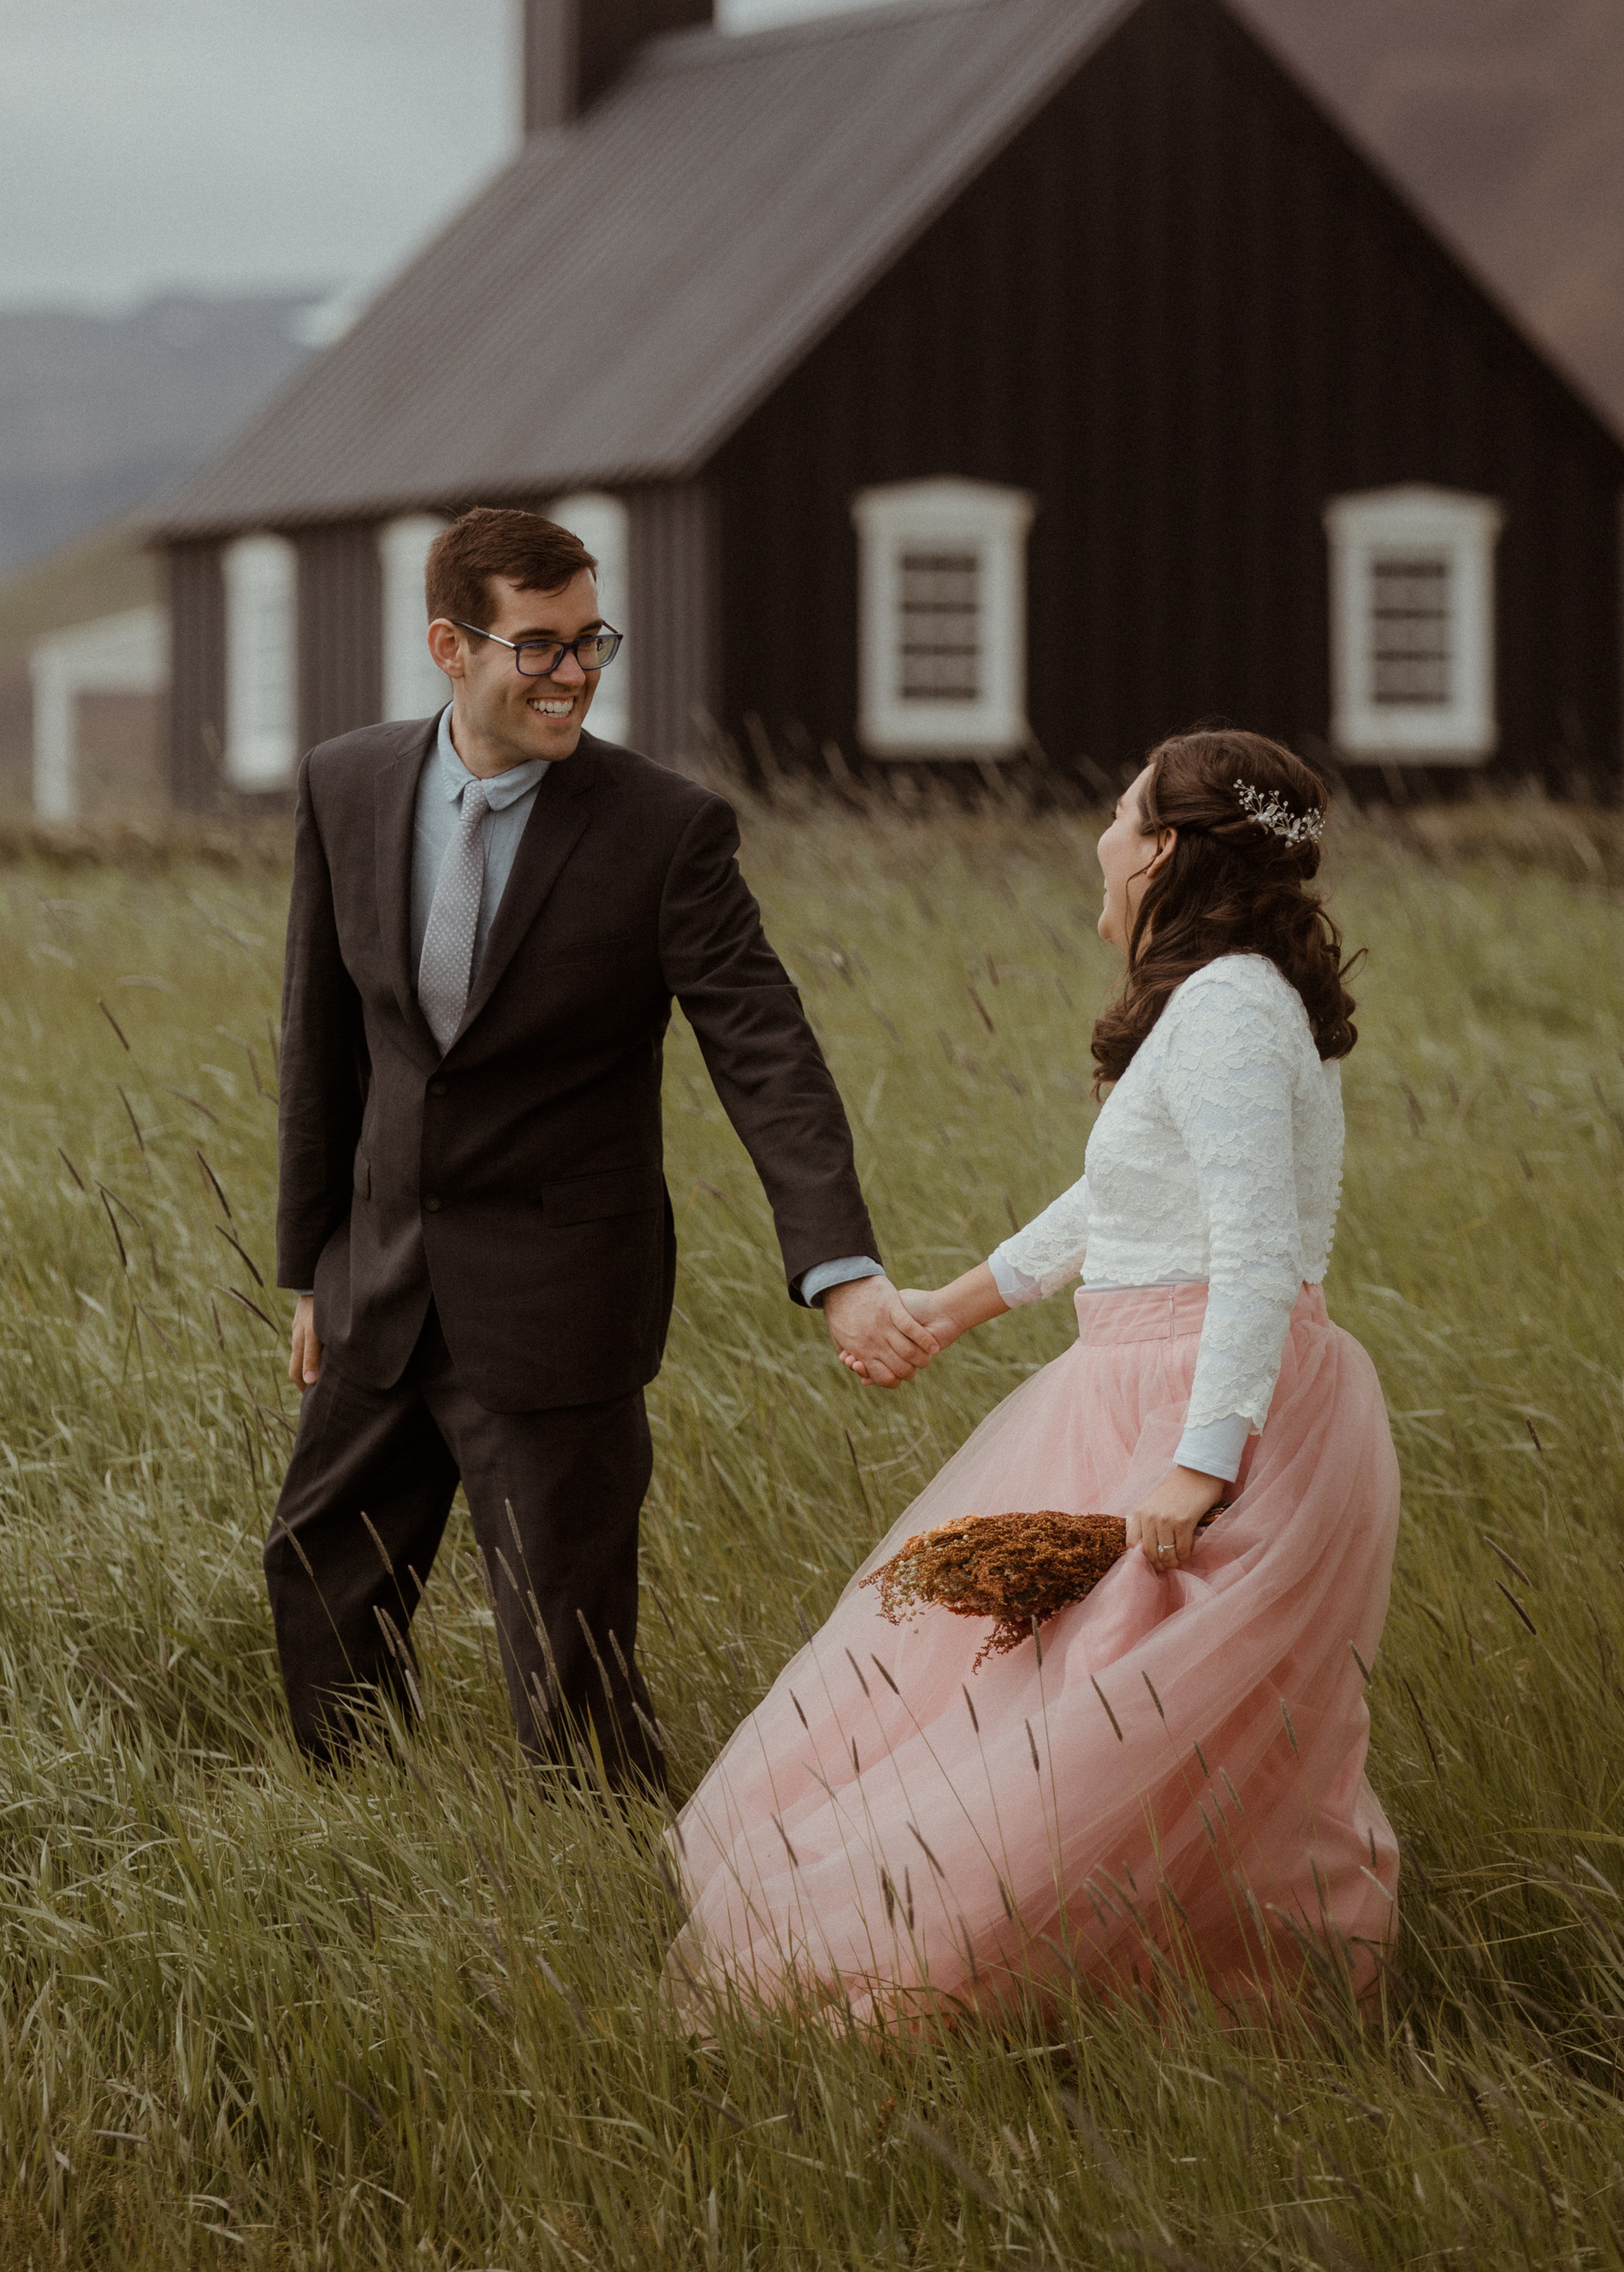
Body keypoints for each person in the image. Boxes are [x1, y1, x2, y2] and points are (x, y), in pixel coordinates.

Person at [667, 727, 1402, 2025]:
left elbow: (1252, 1251)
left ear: (1165, 850)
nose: (1100, 842)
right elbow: (1119, 1203)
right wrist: (955, 1308)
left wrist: (1201, 1456)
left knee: (1102, 1727)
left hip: (1192, 1402)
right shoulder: (1219, 998)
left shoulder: (1229, 1009)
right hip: (1139, 1377)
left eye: (1120, 816)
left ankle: (1003, 1981)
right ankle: (1123, 1988)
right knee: (1075, 1714)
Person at [264, 505, 936, 1787]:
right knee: (315, 1572)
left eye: (591, 640)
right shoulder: (345, 785)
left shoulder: (664, 831)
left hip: (558, 1301)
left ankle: (619, 1864)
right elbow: (325, 1038)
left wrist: (838, 1267)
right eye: (540, 645)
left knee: (566, 1654)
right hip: (383, 1281)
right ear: (448, 646)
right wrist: (315, 1265)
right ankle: (360, 1833)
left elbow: (765, 1048)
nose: (574, 673)